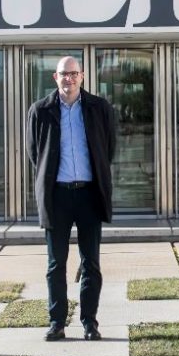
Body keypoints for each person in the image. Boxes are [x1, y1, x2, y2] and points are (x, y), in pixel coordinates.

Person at [27, 56, 116, 341]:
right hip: (58, 196)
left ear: (83, 76)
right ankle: (57, 323)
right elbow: (35, 153)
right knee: (56, 264)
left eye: (74, 73)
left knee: (91, 263)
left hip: (89, 194)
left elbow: (108, 148)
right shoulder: (41, 110)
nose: (69, 79)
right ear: (55, 77)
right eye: (64, 74)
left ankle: (90, 322)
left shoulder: (98, 108)